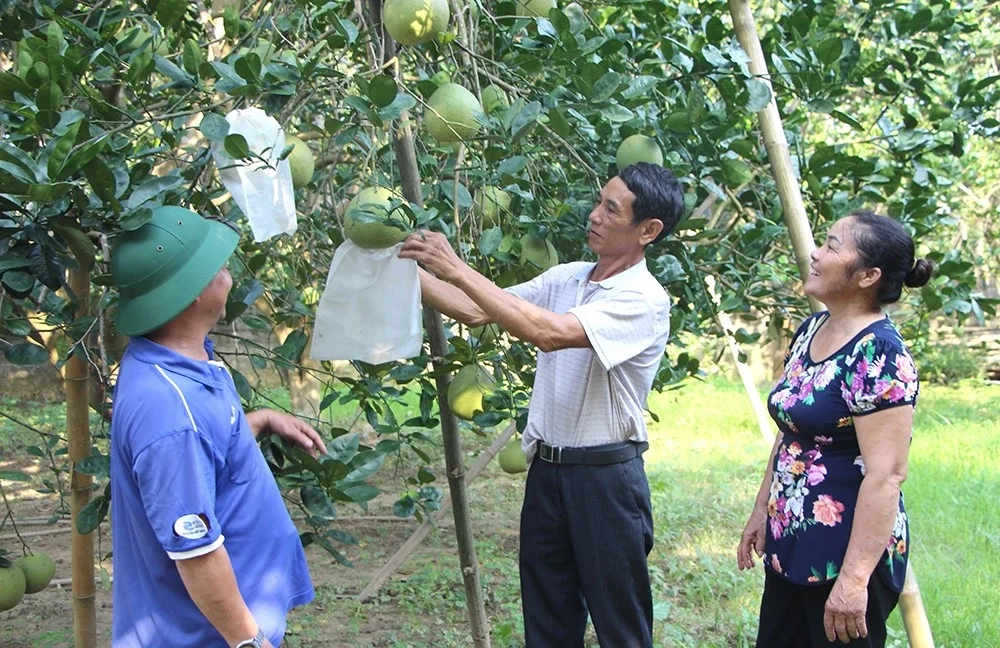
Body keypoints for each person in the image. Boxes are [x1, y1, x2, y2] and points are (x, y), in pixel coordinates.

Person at [399, 162, 686, 647]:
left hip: (605, 480)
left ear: (648, 230)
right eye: (598, 201)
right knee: (548, 619)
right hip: (548, 473)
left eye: (610, 209)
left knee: (621, 626)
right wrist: (395, 265)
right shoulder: (569, 278)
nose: (593, 215)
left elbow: (548, 333)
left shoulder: (643, 299)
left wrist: (456, 266)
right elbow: (475, 308)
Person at [108, 206, 326, 648]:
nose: (229, 274)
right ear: (192, 292)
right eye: (220, 267)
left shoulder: (184, 361)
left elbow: (197, 455)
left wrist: (259, 420)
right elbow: (196, 553)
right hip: (205, 637)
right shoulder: (170, 410)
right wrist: (248, 641)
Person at [736, 211, 934, 647]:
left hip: (845, 555)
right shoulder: (812, 330)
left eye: (831, 245)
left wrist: (853, 581)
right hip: (791, 541)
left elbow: (886, 474)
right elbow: (791, 432)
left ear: (867, 275)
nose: (815, 253)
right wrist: (761, 508)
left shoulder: (880, 354)